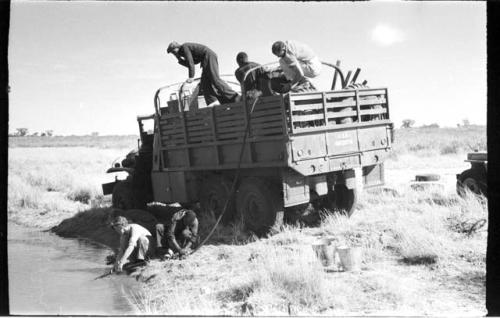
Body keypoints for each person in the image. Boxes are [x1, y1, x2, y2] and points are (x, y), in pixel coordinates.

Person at [167, 41, 240, 106]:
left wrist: (191, 76)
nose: (174, 54)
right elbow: (194, 62)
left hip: (208, 56)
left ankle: (235, 96)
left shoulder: (184, 47)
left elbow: (190, 63)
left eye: (173, 51)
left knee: (215, 79)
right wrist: (180, 60)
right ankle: (213, 102)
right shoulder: (183, 51)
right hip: (205, 59)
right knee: (205, 84)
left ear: (177, 47)